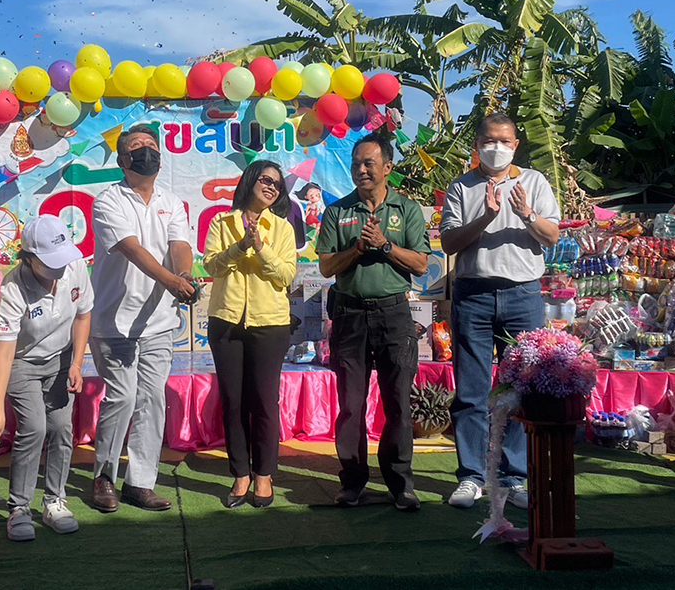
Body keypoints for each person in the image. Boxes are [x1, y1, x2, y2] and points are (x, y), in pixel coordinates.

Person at [439, 113, 561, 510]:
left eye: (505, 141)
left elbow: (551, 236)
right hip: (473, 294)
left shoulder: (535, 183)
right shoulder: (462, 186)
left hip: (522, 295)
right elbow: (449, 243)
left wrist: (526, 214)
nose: (497, 148)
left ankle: (514, 477)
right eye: (489, 141)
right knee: (471, 391)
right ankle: (472, 477)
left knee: (519, 389)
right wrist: (486, 217)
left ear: (515, 145)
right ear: (477, 145)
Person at [317, 133, 430, 512]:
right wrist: (357, 249)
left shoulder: (407, 210)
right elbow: (327, 266)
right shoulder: (337, 212)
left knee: (397, 401)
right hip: (349, 315)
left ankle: (400, 484)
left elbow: (420, 264)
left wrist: (384, 245)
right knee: (351, 405)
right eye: (356, 164)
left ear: (387, 168)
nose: (361, 170)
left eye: (369, 163)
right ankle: (352, 482)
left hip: (394, 315)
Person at [89, 124, 196, 513]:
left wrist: (184, 275)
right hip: (114, 321)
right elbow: (132, 249)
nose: (146, 151)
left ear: (160, 159)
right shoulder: (108, 201)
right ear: (123, 160)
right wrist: (171, 281)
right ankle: (104, 477)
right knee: (122, 397)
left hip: (158, 322)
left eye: (152, 146)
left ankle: (140, 482)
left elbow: (180, 245)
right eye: (137, 146)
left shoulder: (172, 201)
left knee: (152, 399)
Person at [0, 215, 93, 540]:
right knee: (34, 428)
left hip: (62, 360)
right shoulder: (13, 288)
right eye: (50, 261)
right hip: (22, 363)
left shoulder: (76, 268)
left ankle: (55, 501)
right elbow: (4, 351)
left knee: (61, 428)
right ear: (28, 258)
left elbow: (83, 316)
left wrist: (77, 363)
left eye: (62, 258)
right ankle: (19, 508)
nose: (60, 267)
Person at [203, 160, 297, 508]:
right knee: (233, 401)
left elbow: (285, 276)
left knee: (264, 401)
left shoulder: (282, 228)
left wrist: (260, 247)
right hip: (226, 322)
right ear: (250, 181)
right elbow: (211, 265)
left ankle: (264, 474)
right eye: (265, 180)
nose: (271, 187)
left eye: (277, 184)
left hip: (270, 324)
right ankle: (241, 473)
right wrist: (239, 247)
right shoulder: (221, 222)